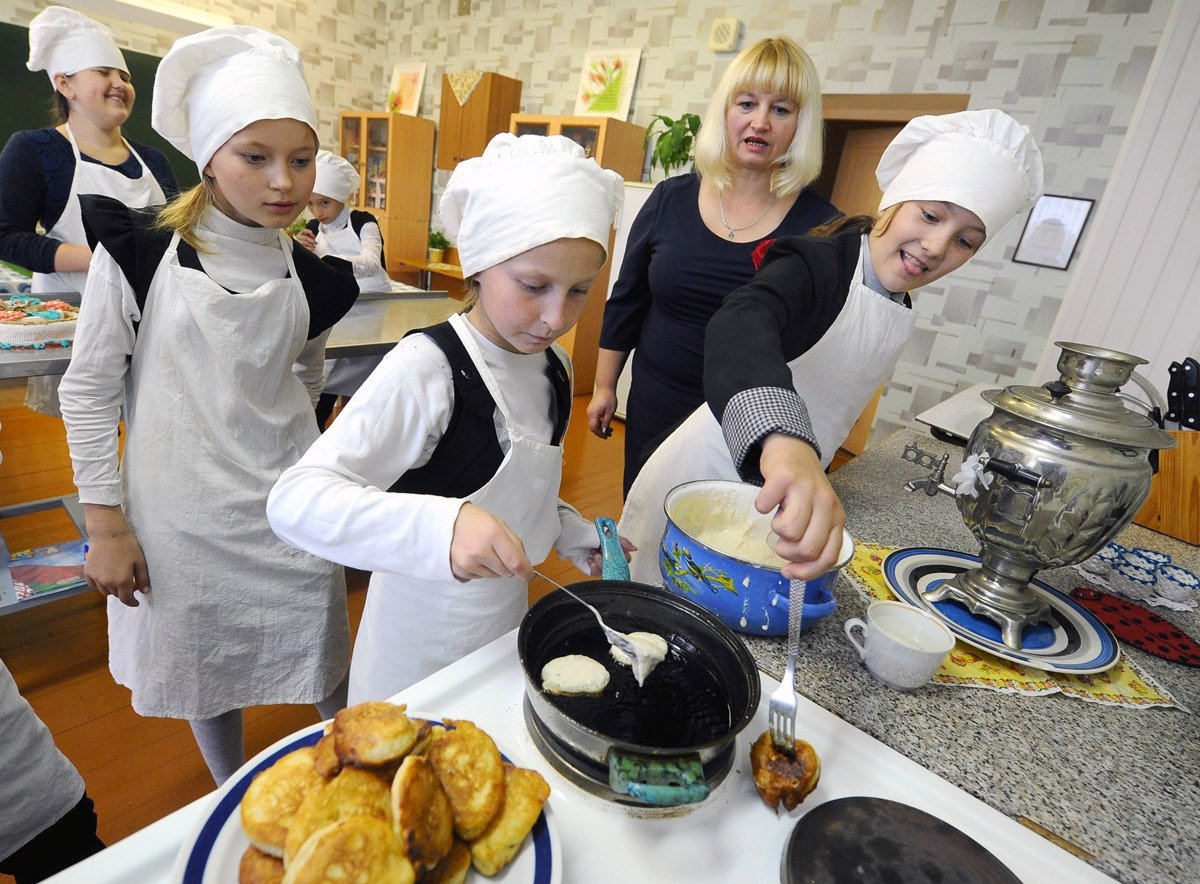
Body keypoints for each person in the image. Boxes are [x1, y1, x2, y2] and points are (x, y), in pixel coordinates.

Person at [58, 26, 360, 785]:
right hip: (179, 512)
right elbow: (89, 389)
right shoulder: (136, 253)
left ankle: (361, 763)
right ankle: (227, 784)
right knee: (204, 658)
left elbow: (305, 378)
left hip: (286, 503)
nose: (283, 181)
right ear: (209, 158)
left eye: (300, 158)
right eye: (254, 157)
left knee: (319, 641)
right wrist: (105, 522)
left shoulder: (317, 279)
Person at [267, 133, 627, 703]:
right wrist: (445, 528)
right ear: (479, 268)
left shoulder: (552, 367)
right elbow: (296, 502)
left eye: (579, 290)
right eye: (534, 286)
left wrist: (566, 528)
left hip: (502, 634)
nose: (557, 316)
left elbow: (521, 489)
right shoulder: (427, 368)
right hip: (417, 651)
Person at [618, 109, 1045, 585]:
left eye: (965, 241)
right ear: (895, 200)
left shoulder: (896, 301)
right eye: (929, 215)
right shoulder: (815, 262)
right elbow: (742, 321)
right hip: (707, 479)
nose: (936, 246)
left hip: (789, 491)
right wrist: (785, 443)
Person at [588, 36, 837, 496]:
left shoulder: (822, 227)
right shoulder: (670, 199)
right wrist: (605, 386)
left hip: (745, 419)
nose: (760, 121)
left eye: (781, 109)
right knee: (642, 512)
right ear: (725, 111)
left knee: (715, 534)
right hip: (655, 398)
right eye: (747, 103)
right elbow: (627, 299)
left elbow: (824, 345)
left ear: (801, 125)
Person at [0, 6, 179, 417]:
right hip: (79, 323)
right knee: (92, 433)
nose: (119, 84)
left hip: (156, 321)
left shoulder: (153, 160)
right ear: (66, 84)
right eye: (104, 73)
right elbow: (7, 236)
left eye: (126, 77)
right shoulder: (35, 149)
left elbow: (175, 237)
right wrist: (102, 258)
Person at [295, 150, 390, 429]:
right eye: (311, 204)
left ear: (341, 197)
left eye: (324, 202)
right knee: (323, 381)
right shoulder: (313, 227)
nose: (318, 212)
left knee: (366, 392)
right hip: (337, 311)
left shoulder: (364, 222)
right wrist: (301, 250)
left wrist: (327, 264)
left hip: (371, 313)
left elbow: (371, 262)